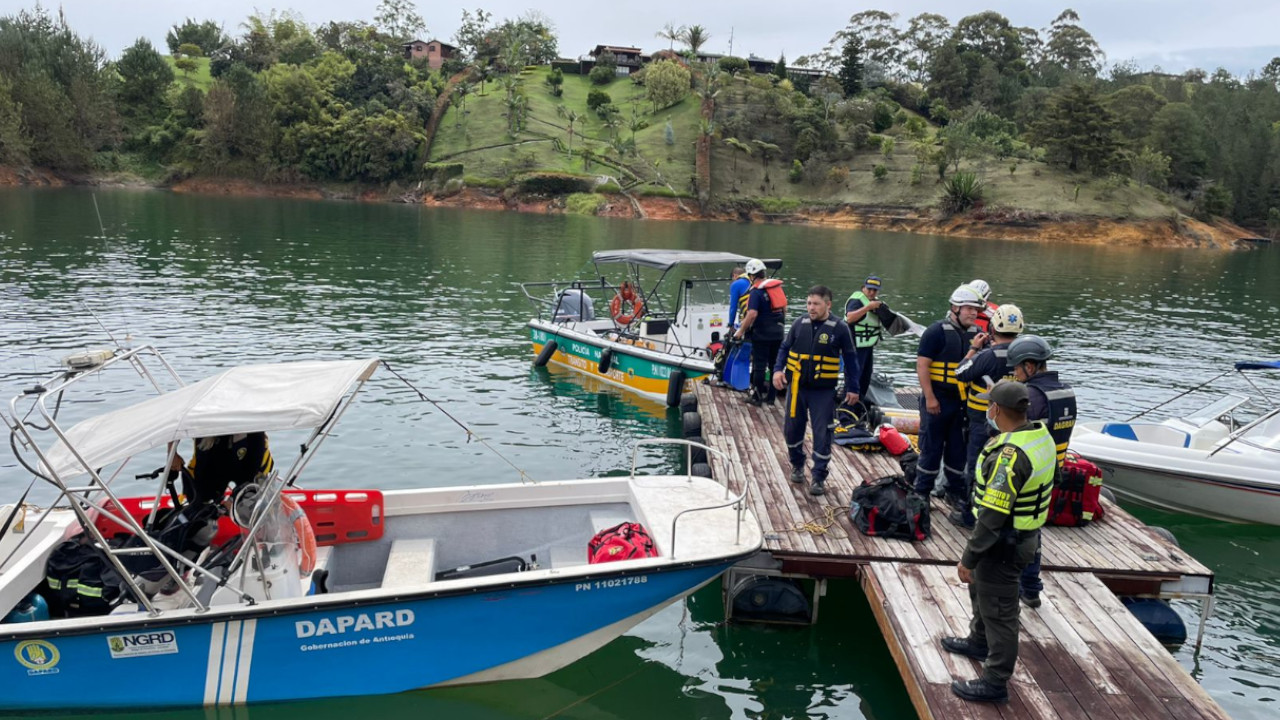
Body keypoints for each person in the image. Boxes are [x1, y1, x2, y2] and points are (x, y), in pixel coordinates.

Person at [941, 380, 1055, 704]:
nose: (986, 409)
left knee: (1002, 613)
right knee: (983, 594)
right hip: (1020, 537)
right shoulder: (1038, 436)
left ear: (997, 410)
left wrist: (968, 558)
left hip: (1003, 544)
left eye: (989, 404)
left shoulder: (1011, 456)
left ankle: (995, 681)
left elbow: (992, 514)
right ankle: (978, 640)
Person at [1008, 334, 1077, 608]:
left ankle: (1017, 588)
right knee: (1034, 525)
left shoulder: (1032, 396)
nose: (1014, 375)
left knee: (1017, 530)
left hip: (1027, 472)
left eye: (1016, 369)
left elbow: (1013, 431)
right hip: (1054, 467)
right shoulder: (1066, 390)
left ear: (1029, 365)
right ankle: (1032, 588)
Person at [773, 285, 860, 496]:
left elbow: (850, 358)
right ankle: (796, 464)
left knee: (823, 433)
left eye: (816, 304)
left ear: (828, 304)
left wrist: (853, 387)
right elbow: (785, 348)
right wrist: (777, 370)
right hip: (797, 388)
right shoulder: (799, 323)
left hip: (822, 392)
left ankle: (819, 477)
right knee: (792, 429)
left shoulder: (839, 328)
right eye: (809, 303)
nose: (811, 308)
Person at [950, 304, 1025, 528]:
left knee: (977, 464)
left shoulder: (989, 356)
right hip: (1014, 422)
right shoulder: (1026, 355)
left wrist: (973, 348)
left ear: (994, 327)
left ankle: (969, 514)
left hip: (982, 420)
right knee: (1008, 465)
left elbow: (960, 372)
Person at [914, 284, 984, 500]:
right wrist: (930, 397)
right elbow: (922, 366)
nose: (973, 313)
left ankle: (955, 493)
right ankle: (922, 493)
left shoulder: (977, 335)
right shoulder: (936, 331)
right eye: (968, 308)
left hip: (962, 403)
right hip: (938, 398)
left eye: (976, 309)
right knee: (931, 448)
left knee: (957, 449)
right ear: (955, 308)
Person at [169, 433, 275, 506]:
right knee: (196, 495)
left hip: (247, 453)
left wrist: (234, 498)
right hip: (213, 451)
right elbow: (177, 417)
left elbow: (253, 466)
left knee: (254, 496)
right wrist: (172, 453)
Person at [733, 258, 786, 405]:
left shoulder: (756, 292)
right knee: (775, 364)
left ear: (751, 275)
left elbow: (752, 314)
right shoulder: (776, 288)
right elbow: (784, 309)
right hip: (778, 332)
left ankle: (756, 397)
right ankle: (771, 397)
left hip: (762, 334)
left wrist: (740, 332)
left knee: (759, 365)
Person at [844, 275, 884, 399]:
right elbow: (849, 318)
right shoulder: (857, 300)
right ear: (863, 288)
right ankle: (845, 411)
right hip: (855, 347)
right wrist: (868, 308)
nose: (871, 292)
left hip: (867, 346)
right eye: (869, 289)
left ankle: (858, 407)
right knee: (854, 378)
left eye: (875, 290)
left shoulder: (873, 302)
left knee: (865, 377)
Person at [727, 266, 750, 331]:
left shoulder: (736, 284)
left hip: (750, 319)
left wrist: (731, 324)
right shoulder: (752, 280)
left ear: (734, 276)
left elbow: (733, 307)